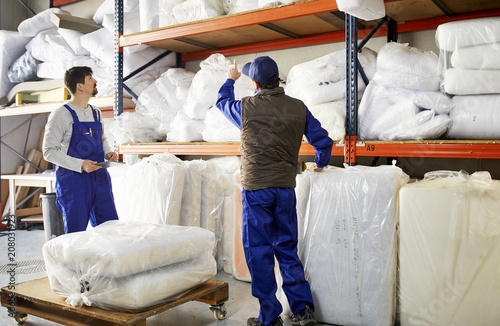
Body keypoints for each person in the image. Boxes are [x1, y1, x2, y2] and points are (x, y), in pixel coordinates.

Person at [216, 57, 333, 326]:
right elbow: (323, 141)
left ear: (255, 83)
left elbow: (221, 103)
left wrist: (230, 80)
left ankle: (269, 317)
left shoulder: (246, 107)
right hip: (284, 189)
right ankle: (303, 311)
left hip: (256, 190)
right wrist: (321, 164)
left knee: (259, 251)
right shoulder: (298, 107)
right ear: (277, 80)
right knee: (287, 248)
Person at [42, 66, 119, 234]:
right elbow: (48, 151)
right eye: (90, 78)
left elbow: (102, 138)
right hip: (74, 181)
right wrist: (80, 164)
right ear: (80, 86)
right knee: (76, 234)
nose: (95, 81)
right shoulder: (60, 115)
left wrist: (108, 152)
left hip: (99, 177)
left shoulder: (96, 112)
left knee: (110, 229)